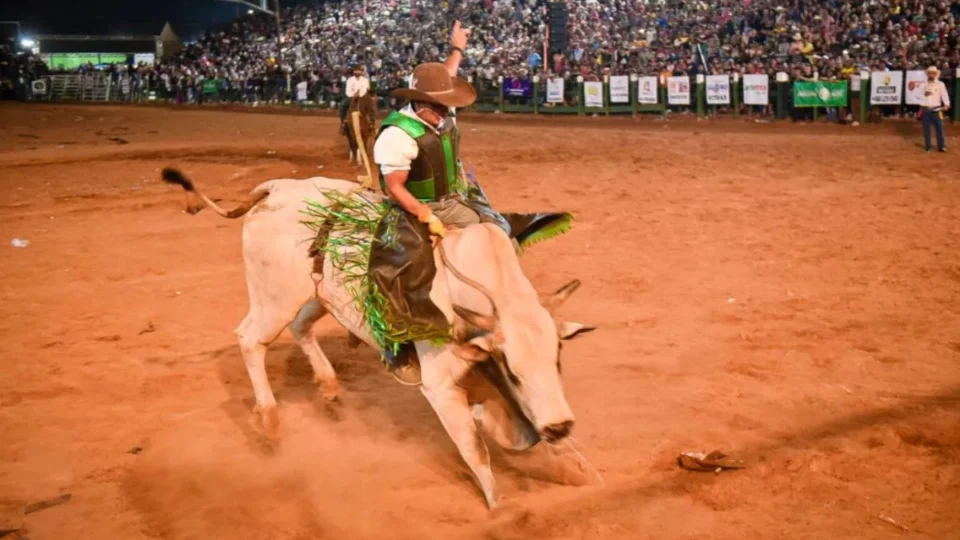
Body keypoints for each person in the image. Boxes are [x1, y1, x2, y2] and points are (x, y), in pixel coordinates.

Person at [921, 66, 950, 153]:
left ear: (936, 74)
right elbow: (917, 96)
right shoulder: (923, 84)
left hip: (937, 109)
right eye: (930, 73)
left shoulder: (940, 84)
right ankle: (928, 146)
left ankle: (941, 146)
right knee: (927, 129)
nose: (931, 74)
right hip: (926, 109)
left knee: (940, 128)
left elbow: (944, 94)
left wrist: (947, 104)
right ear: (927, 74)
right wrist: (923, 95)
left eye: (933, 73)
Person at [340, 65, 370, 131]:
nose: (357, 72)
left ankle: (371, 123)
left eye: (358, 71)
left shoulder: (365, 80)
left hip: (362, 97)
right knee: (342, 105)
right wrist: (354, 95)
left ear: (361, 72)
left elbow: (366, 89)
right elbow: (347, 91)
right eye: (356, 71)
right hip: (352, 98)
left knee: (371, 106)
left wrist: (360, 95)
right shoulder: (350, 80)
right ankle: (343, 122)